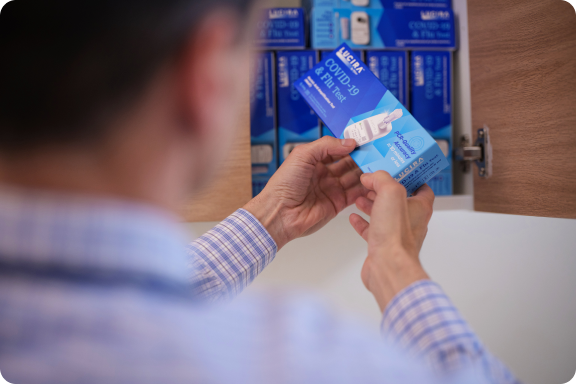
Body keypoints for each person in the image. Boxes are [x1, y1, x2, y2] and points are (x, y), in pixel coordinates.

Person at [0, 0, 520, 383]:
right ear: (203, 76)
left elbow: (127, 297)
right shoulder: (304, 361)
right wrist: (396, 265)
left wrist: (271, 217)